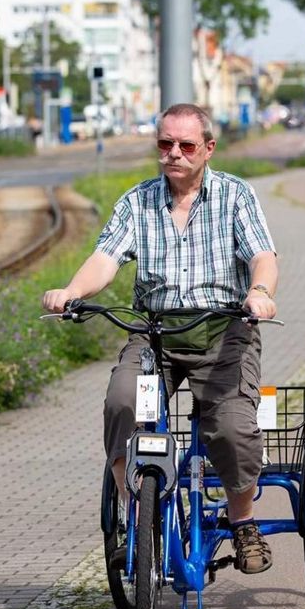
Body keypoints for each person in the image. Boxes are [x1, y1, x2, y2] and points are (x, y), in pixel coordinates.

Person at [41, 102, 279, 574]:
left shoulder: (235, 196)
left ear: (208, 149)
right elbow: (105, 260)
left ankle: (244, 523)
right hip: (155, 338)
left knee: (231, 428)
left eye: (186, 145)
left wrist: (259, 292)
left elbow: (262, 255)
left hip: (223, 334)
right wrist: (71, 291)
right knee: (122, 402)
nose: (174, 154)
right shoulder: (137, 202)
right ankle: (136, 516)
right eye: (165, 144)